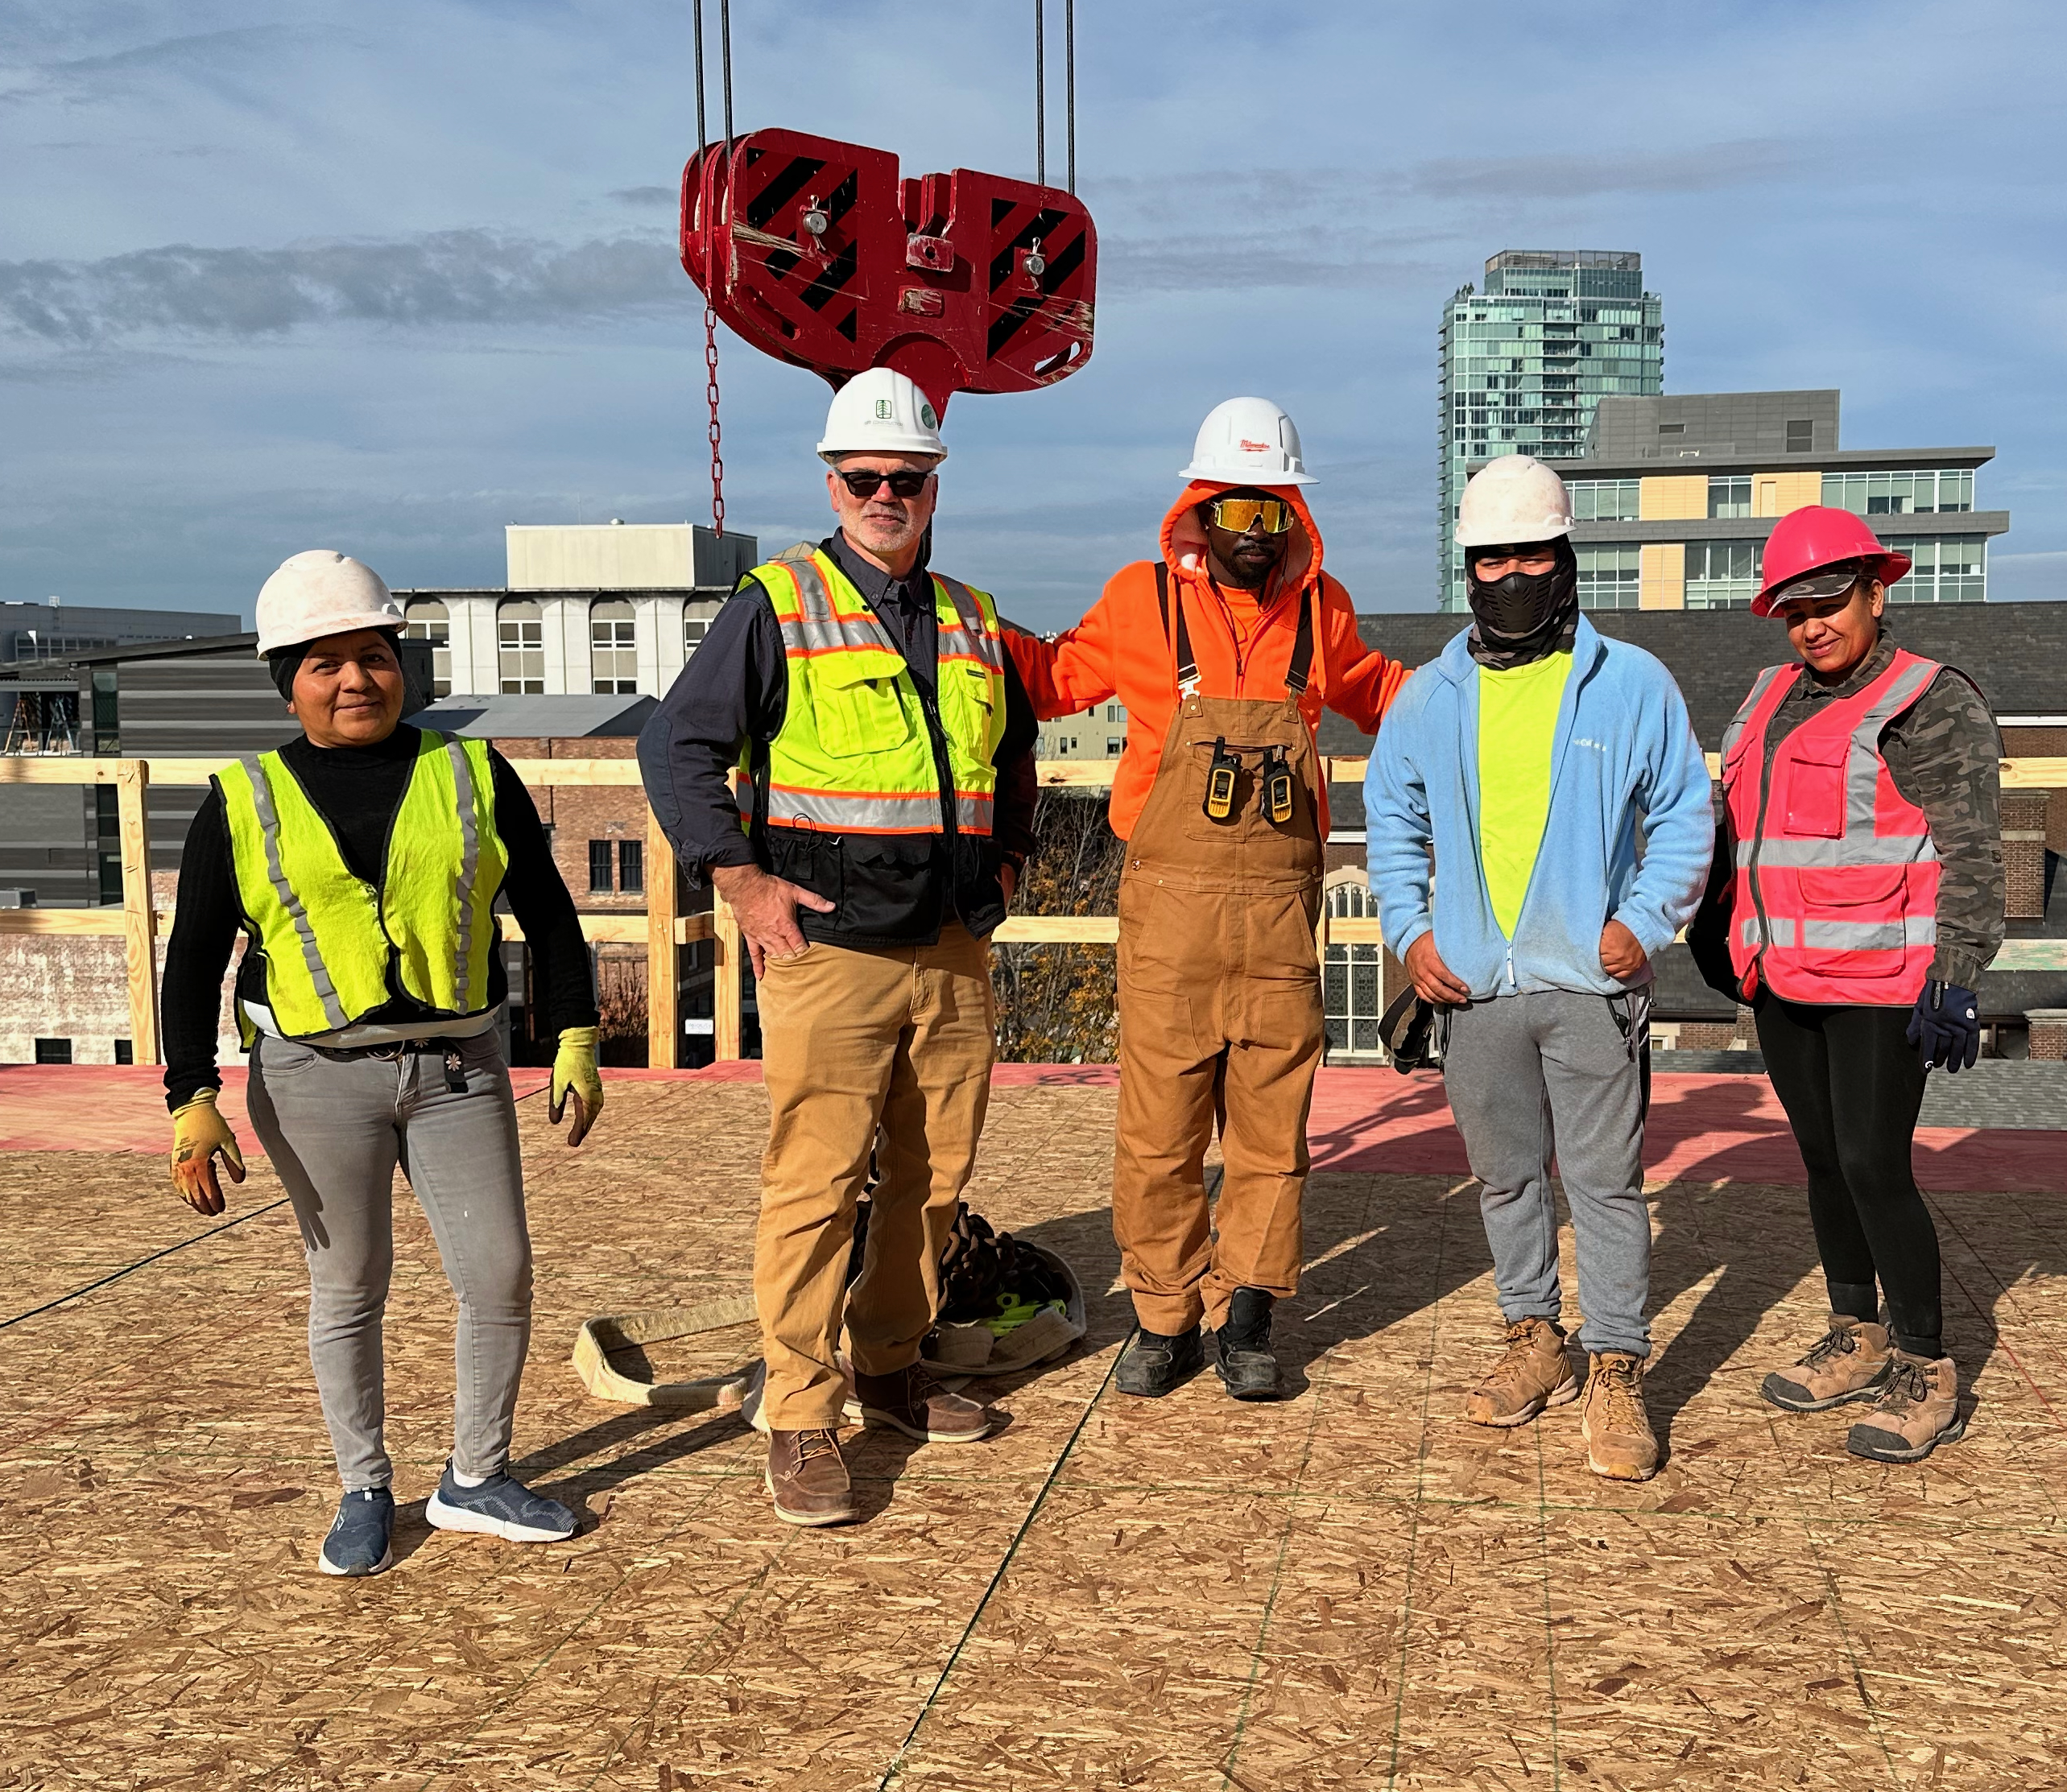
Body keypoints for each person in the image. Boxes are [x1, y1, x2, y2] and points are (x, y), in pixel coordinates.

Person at [642, 369, 1039, 1528]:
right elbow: (676, 749)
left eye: (905, 480)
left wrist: (1009, 862)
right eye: (865, 479)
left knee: (930, 1181)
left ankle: (889, 1365)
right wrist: (740, 876)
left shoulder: (971, 615)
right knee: (815, 1186)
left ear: (932, 486)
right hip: (828, 952)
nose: (885, 495)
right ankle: (803, 1414)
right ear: (833, 483)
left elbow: (1009, 757)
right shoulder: (779, 604)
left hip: (951, 947)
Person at [162, 550, 606, 1578]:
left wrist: (575, 1037)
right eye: (325, 664)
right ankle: (365, 1487)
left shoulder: (470, 773)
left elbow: (549, 915)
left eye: (374, 656)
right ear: (288, 679)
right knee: (349, 1284)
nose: (355, 680)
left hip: (459, 1068)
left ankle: (475, 1478)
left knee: (496, 1274)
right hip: (315, 1078)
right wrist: (192, 1099)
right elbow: (193, 960)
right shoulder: (241, 800)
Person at [1000, 398, 1407, 1402]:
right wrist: (962, 625)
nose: (1252, 535)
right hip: (1168, 910)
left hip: (1278, 913)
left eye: (1272, 514)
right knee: (1160, 1128)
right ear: (1198, 505)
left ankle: (1252, 1318)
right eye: (1235, 510)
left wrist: (1489, 692)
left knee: (1273, 1128)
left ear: (1293, 518)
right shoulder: (1140, 602)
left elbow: (1385, 693)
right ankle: (1164, 1319)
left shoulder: (1324, 610)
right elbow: (1051, 679)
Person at [1363, 456, 1711, 1482]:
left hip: (1590, 987)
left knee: (1605, 1184)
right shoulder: (1430, 698)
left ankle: (1615, 1363)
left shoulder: (1631, 682)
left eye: (1529, 554)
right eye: (1489, 557)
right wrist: (1410, 934)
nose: (1509, 573)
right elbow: (1391, 817)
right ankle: (1534, 1338)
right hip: (1471, 987)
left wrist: (1645, 924)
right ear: (1467, 568)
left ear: (1565, 561)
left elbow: (1688, 812)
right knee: (1506, 1178)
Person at [1688, 506, 2003, 1465]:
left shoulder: (1928, 700)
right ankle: (1855, 1330)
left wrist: (1956, 974)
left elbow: (1973, 847)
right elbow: (1736, 822)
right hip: (1785, 975)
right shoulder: (1772, 693)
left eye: (1829, 603)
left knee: (1875, 1164)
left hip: (1880, 981)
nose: (1812, 625)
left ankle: (1924, 1368)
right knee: (1822, 1159)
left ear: (1877, 590)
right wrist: (1712, 918)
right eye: (1794, 611)